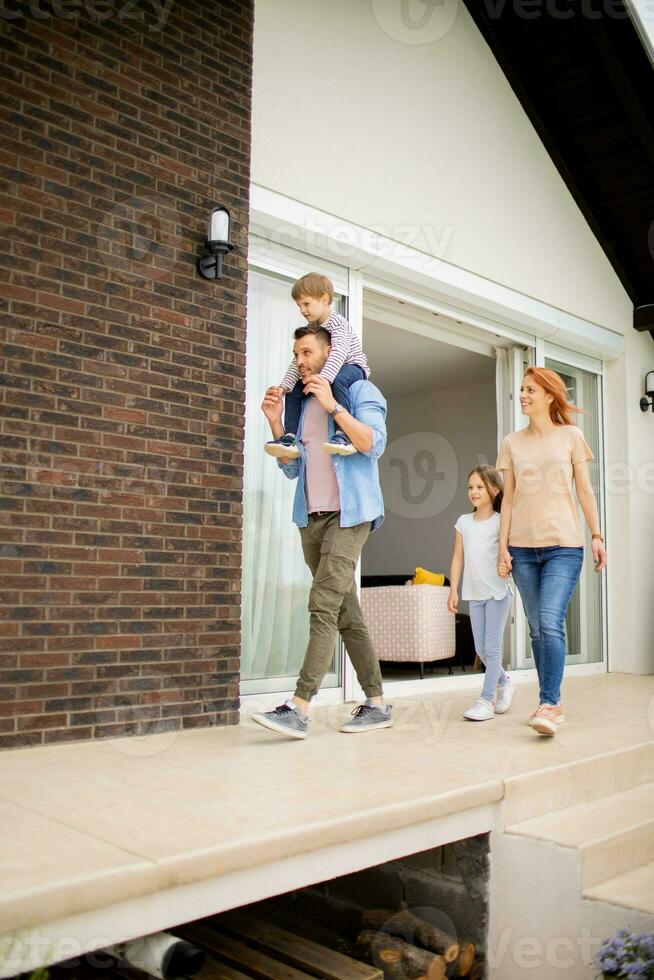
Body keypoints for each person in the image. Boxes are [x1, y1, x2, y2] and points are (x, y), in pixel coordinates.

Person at [251, 323, 392, 740]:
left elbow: (373, 443)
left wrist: (334, 406)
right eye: (296, 354)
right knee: (346, 611)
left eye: (308, 352)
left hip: (351, 515)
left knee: (324, 601)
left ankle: (299, 706)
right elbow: (292, 466)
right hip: (311, 516)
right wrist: (277, 424)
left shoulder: (361, 391)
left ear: (329, 353)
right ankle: (378, 703)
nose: (300, 361)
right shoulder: (301, 402)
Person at [496, 366, 607, 736]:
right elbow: (508, 499)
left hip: (564, 546)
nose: (523, 395)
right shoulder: (512, 442)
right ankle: (549, 703)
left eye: (530, 390)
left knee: (548, 621)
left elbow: (585, 491)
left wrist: (597, 534)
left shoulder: (571, 436)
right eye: (522, 389)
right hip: (522, 550)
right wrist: (502, 548)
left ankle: (550, 702)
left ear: (548, 396)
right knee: (537, 631)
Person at [263, 272, 369, 459]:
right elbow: (296, 364)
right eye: (299, 306)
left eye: (306, 304)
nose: (303, 310)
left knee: (338, 381)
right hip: (330, 372)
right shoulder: (313, 328)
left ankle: (342, 434)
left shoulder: (338, 324)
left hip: (352, 366)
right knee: (295, 389)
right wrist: (284, 386)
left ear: (325, 299)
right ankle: (290, 437)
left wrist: (322, 380)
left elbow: (338, 354)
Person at [448, 466, 515, 721]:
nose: (474, 492)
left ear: (494, 489)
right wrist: (453, 589)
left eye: (479, 487)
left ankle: (487, 699)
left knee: (492, 647)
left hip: (498, 592)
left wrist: (507, 565)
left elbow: (508, 554)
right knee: (481, 649)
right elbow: (457, 558)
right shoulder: (463, 522)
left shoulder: (501, 521)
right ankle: (505, 682)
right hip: (474, 592)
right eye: (470, 487)